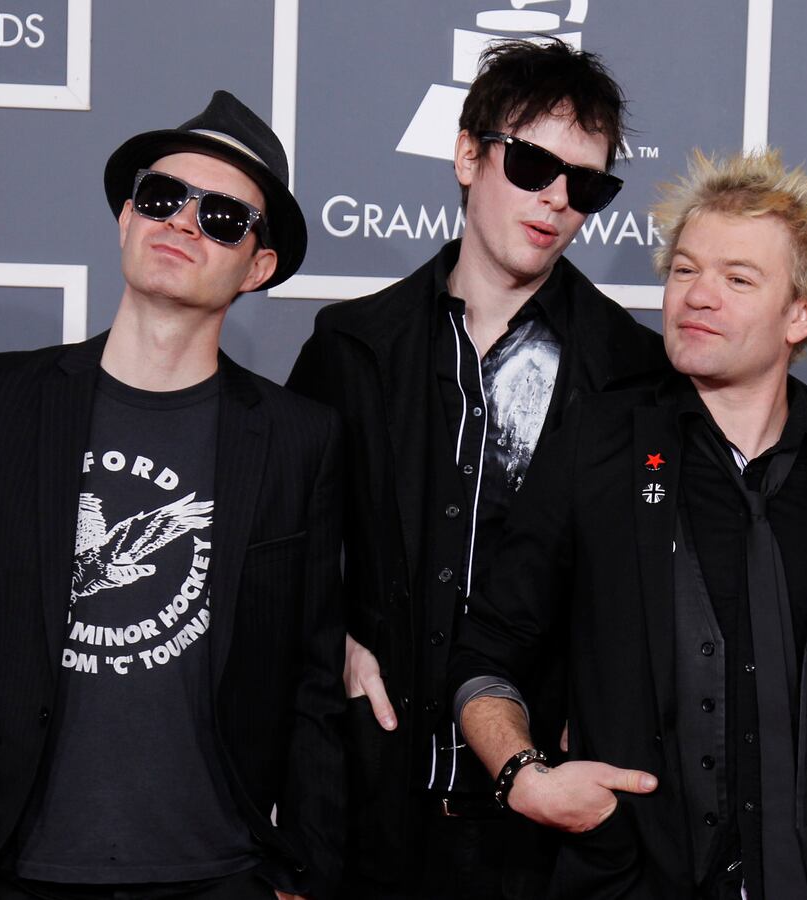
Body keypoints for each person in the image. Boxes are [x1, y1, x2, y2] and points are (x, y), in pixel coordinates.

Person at [0, 91, 344, 900]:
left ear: (259, 266)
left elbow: (313, 681)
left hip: (220, 873)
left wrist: (300, 869)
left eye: (224, 218)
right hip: (13, 868)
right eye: (164, 198)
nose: (182, 223)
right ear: (127, 216)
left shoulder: (296, 439)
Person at [450, 148, 807, 899]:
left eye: (737, 279)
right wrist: (523, 776)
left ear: (802, 313)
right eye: (685, 270)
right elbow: (486, 651)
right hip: (630, 881)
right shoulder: (595, 448)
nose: (697, 296)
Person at [287, 40, 665, 899]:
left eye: (589, 186)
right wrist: (330, 637)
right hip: (369, 812)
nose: (557, 201)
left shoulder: (636, 374)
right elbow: (277, 550)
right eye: (533, 164)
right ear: (469, 153)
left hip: (554, 827)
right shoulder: (352, 349)